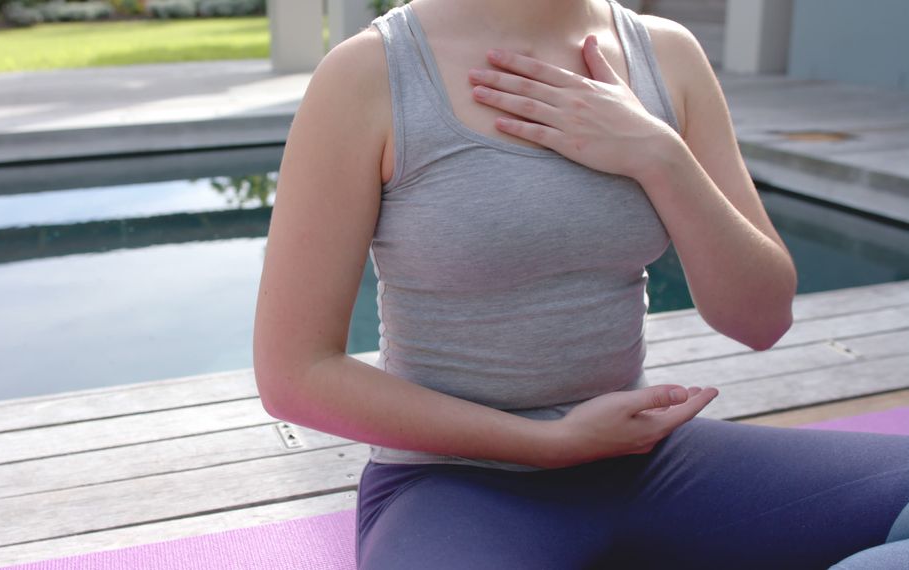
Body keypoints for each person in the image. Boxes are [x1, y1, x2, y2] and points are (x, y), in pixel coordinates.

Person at [252, 0, 909, 567]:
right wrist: (547, 443)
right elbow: (295, 374)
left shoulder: (667, 55)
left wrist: (659, 156)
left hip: (648, 462)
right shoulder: (370, 73)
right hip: (452, 486)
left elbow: (761, 320)